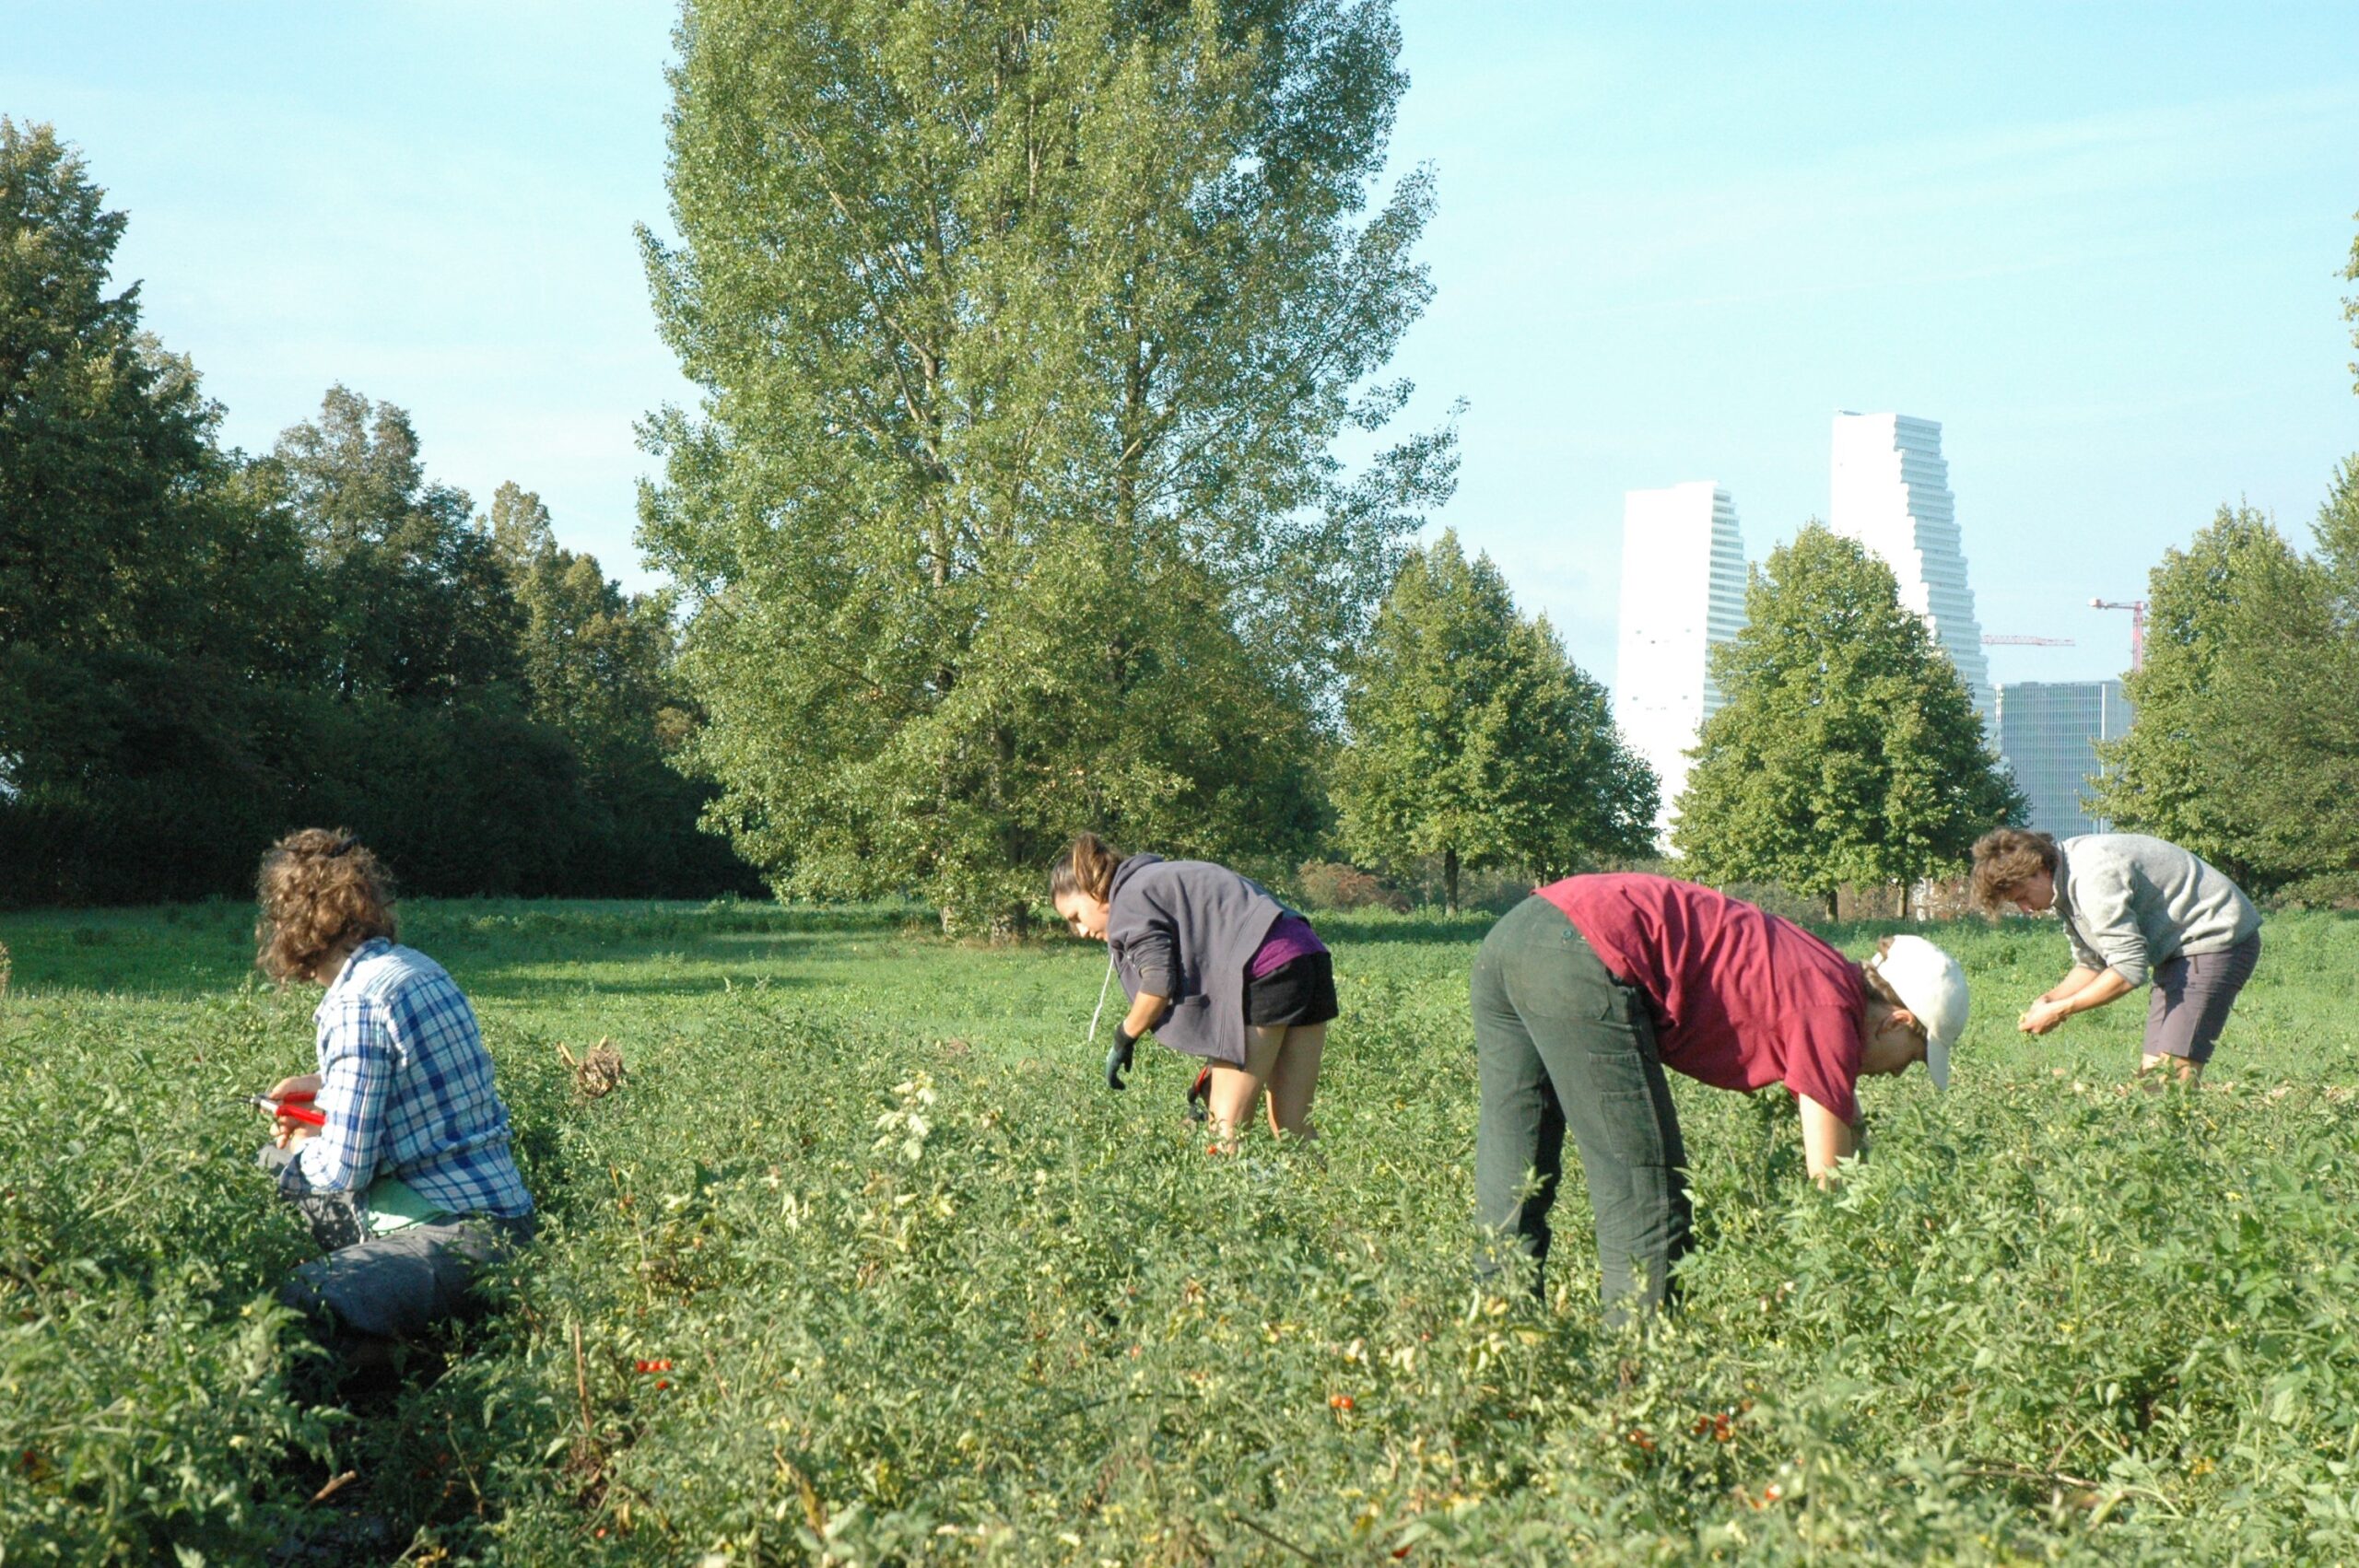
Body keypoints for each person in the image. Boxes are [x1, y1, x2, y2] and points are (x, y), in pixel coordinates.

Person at [1472, 873, 1966, 1325]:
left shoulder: (1826, 975)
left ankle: (1500, 1341)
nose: (1901, 1071)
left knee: (1516, 1169)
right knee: (1648, 1196)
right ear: (1897, 1021)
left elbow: (1842, 1117)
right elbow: (1828, 1185)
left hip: (1522, 931)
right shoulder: (1830, 1009)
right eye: (1916, 1056)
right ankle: (1636, 1378)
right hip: (1587, 950)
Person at [251, 828, 536, 1358]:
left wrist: (296, 1150)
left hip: (457, 1239)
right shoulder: (417, 968)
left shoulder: (355, 1003)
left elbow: (343, 1172)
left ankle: (384, 1391)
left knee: (293, 1300)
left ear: (293, 924)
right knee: (278, 1166)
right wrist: (325, 1089)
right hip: (507, 1221)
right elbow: (416, 1079)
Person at [1050, 833, 1335, 1148]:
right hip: (1308, 955)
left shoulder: (1129, 900)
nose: (1080, 931)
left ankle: (1224, 1196)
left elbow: (1158, 986)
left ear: (1095, 887)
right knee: (1295, 1128)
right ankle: (1323, 1196)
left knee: (1226, 1132)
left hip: (1266, 967)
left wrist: (1124, 1037)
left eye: (1076, 916)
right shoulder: (1158, 877)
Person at [1969, 828, 2260, 1086]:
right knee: (2153, 1079)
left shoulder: (2093, 877)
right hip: (2177, 952)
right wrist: (2050, 999)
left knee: (2173, 1083)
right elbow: (2093, 961)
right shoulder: (2063, 883)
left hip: (2215, 938)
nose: (2024, 908)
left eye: (2022, 896)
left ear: (2040, 870)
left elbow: (2129, 969)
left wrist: (2062, 1010)